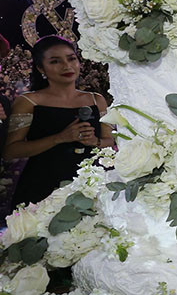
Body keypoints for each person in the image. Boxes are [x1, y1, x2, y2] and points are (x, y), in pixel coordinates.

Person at [4, 35, 114, 209]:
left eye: (71, 59)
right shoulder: (29, 101)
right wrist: (59, 138)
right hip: (42, 188)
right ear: (41, 68)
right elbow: (10, 151)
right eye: (55, 61)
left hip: (90, 186)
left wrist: (95, 142)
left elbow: (110, 141)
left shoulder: (96, 100)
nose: (66, 66)